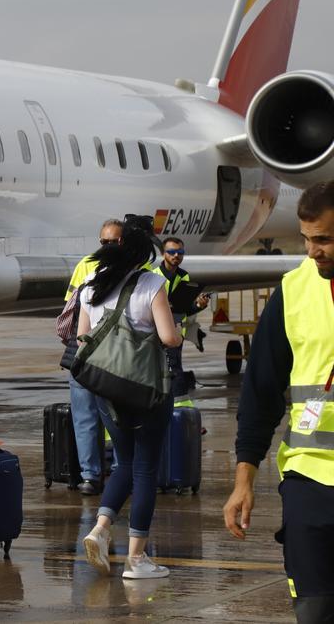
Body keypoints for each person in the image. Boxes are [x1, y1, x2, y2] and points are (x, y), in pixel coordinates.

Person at [222, 180, 334, 622]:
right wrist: (243, 479)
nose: (312, 251)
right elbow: (261, 393)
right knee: (315, 609)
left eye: (323, 239)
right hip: (309, 474)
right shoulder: (294, 289)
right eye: (307, 238)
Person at [80, 215, 183, 580]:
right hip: (145, 390)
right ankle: (136, 559)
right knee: (145, 469)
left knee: (123, 462)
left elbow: (82, 336)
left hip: (105, 391)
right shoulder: (152, 283)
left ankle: (100, 527)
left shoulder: (91, 284)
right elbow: (170, 338)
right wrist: (178, 331)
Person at [63, 219, 123, 495]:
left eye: (112, 242)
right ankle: (90, 475)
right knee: (85, 417)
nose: (107, 248)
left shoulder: (136, 269)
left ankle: (121, 471)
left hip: (115, 358)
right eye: (103, 243)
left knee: (117, 417)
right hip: (86, 354)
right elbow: (70, 309)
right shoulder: (85, 265)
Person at [151, 237, 211, 407]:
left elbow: (184, 308)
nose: (176, 255)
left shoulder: (184, 276)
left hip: (177, 332)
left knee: (172, 369)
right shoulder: (153, 276)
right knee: (171, 371)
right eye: (171, 252)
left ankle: (176, 410)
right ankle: (181, 410)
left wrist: (199, 305)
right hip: (157, 331)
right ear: (163, 254)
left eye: (180, 252)